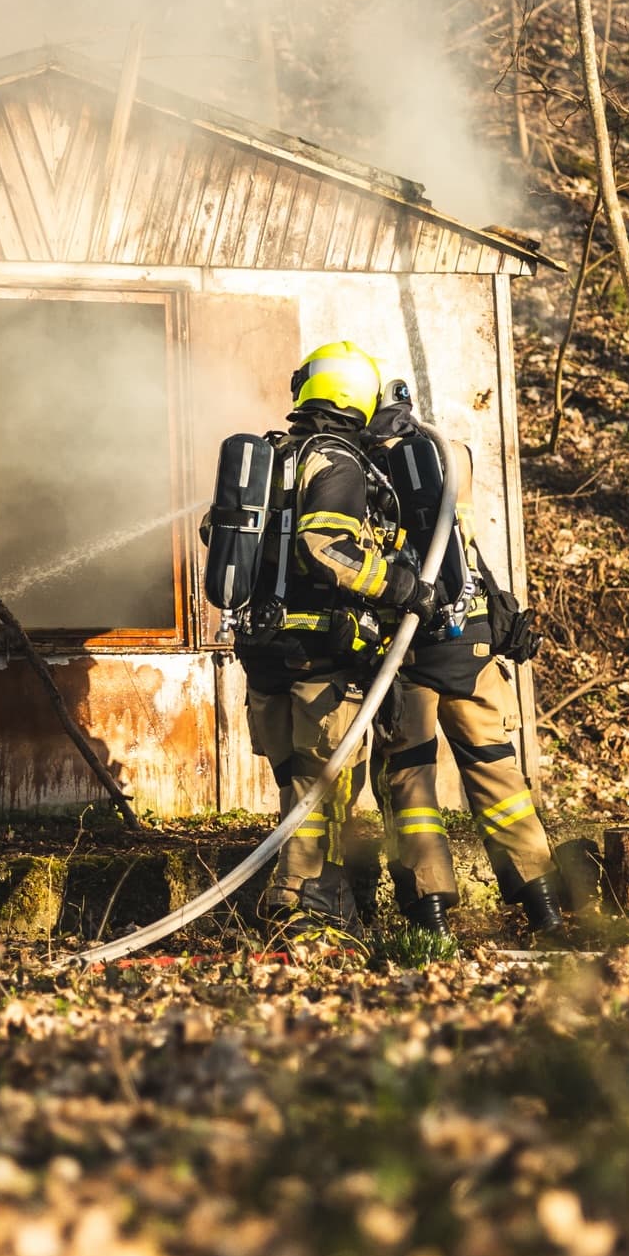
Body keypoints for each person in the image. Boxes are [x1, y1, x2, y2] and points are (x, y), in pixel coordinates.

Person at [228, 341, 435, 930]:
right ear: (359, 395)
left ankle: (301, 895)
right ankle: (305, 904)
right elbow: (325, 548)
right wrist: (401, 588)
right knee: (322, 785)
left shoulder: (271, 457)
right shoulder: (337, 461)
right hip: (321, 655)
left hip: (264, 649)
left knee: (295, 781)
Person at [364, 379, 562, 941]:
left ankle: (431, 919)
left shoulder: (363, 468)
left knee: (411, 784)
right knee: (498, 771)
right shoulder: (451, 457)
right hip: (472, 641)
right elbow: (467, 551)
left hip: (410, 647)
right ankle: (542, 906)